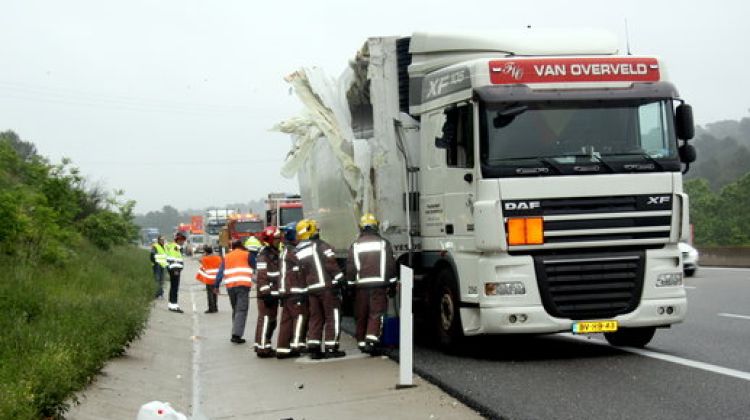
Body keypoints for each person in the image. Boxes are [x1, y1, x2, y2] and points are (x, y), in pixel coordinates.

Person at [346, 213, 398, 355]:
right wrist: (392, 285)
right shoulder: (383, 243)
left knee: (361, 314)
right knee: (376, 313)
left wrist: (350, 286)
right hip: (378, 286)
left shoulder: (355, 245)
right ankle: (372, 341)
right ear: (376, 226)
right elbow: (390, 266)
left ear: (361, 227)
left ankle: (362, 342)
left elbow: (350, 267)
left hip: (360, 286)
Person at [296, 219, 346, 359]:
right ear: (310, 230)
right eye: (316, 229)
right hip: (327, 288)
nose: (318, 231)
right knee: (332, 316)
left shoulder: (299, 250)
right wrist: (341, 279)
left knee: (315, 318)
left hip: (312, 289)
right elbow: (331, 263)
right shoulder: (321, 245)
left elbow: (300, 272)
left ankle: (314, 347)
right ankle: (331, 347)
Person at [275, 222, 308, 359]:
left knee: (286, 321)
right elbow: (305, 265)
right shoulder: (294, 253)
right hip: (295, 291)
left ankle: (282, 348)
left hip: (286, 292)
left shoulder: (285, 251)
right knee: (300, 317)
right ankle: (297, 345)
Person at [215, 239, 255, 344]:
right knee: (241, 310)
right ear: (241, 245)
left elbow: (220, 272)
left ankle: (235, 331)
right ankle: (236, 335)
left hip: (230, 287)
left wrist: (216, 285)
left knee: (236, 309)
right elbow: (256, 267)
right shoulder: (247, 254)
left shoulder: (227, 256)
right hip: (243, 285)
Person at [254, 226, 282, 358]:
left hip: (273, 293)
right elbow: (261, 276)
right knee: (265, 320)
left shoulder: (274, 252)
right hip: (267, 295)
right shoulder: (264, 255)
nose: (279, 241)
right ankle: (263, 348)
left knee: (271, 321)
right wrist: (266, 293)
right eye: (276, 239)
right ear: (270, 240)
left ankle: (264, 345)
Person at [196, 245, 222, 313]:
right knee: (215, 293)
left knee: (210, 294)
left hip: (209, 278)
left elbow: (199, 260)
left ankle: (211, 308)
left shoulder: (205, 259)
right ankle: (216, 308)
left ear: (206, 252)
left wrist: (204, 255)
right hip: (216, 278)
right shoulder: (218, 258)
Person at [165, 232, 187, 313]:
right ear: (177, 240)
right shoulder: (174, 248)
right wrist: (176, 270)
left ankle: (172, 305)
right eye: (181, 240)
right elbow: (173, 259)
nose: (183, 242)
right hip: (175, 270)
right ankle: (174, 306)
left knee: (173, 288)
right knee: (174, 288)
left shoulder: (175, 247)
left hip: (174, 270)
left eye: (183, 240)